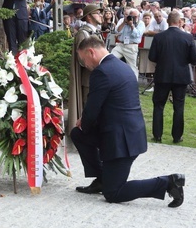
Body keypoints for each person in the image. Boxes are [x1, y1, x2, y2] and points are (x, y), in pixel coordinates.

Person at [70, 36, 185, 208]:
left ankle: (168, 182)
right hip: (128, 134)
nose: (84, 64)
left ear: (91, 52)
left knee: (113, 193)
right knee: (78, 134)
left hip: (121, 143)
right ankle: (102, 178)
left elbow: (93, 109)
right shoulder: (123, 67)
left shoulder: (101, 72)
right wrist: (84, 125)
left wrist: (84, 122)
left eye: (83, 59)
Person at [148, 11, 196, 144]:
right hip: (180, 75)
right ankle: (177, 136)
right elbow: (194, 59)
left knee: (159, 105)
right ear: (179, 22)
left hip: (162, 75)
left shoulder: (159, 37)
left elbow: (152, 57)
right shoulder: (187, 38)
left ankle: (157, 135)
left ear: (168, 21)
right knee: (179, 106)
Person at [67, 4, 103, 133]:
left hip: (97, 78)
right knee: (88, 110)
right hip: (89, 79)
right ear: (89, 17)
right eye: (97, 13)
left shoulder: (95, 31)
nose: (101, 15)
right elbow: (82, 60)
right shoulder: (84, 33)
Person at [112, 8, 145, 80]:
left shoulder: (141, 23)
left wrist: (132, 26)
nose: (133, 18)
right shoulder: (123, 20)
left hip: (131, 46)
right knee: (110, 58)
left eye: (135, 16)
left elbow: (137, 35)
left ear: (138, 16)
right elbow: (117, 31)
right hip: (120, 45)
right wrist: (124, 22)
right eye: (131, 16)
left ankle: (134, 84)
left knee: (132, 67)